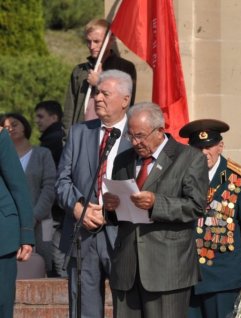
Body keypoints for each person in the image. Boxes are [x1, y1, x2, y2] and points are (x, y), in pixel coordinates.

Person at [102, 102, 209, 318]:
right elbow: (118, 213)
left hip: (167, 269)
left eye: (140, 135)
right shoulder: (123, 160)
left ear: (160, 130)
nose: (135, 142)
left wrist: (156, 204)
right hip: (127, 267)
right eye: (130, 136)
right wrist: (111, 208)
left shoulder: (189, 158)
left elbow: (196, 206)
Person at [56, 70, 133, 318]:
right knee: (84, 309)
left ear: (125, 100)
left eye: (105, 93)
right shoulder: (79, 133)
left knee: (129, 308)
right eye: (97, 92)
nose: (97, 98)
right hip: (83, 235)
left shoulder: (137, 135)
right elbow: (62, 181)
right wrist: (79, 208)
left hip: (123, 235)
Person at [179, 119, 241, 318]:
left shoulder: (240, 178)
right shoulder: (180, 176)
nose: (204, 153)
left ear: (220, 146)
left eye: (209, 146)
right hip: (186, 275)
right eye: (198, 147)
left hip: (223, 275)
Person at [1, 113, 56, 275]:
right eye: (5, 126)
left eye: (14, 124)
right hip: (11, 221)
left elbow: (49, 187)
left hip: (41, 219)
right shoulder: (4, 153)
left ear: (25, 126)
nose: (9, 128)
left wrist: (34, 216)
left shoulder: (42, 154)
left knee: (44, 263)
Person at [63, 18, 137, 131]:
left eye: (97, 41)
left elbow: (127, 103)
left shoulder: (125, 68)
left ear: (110, 40)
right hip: (83, 134)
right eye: (88, 41)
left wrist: (99, 83)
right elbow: (69, 111)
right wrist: (67, 141)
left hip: (110, 133)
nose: (91, 46)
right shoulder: (79, 71)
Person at [0, 126, 35, 318]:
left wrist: (26, 233)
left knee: (2, 305)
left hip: (2, 238)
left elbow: (18, 186)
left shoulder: (0, 137)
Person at [35, 100, 67, 277]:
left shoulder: (52, 141)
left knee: (54, 254)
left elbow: (51, 179)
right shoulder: (54, 138)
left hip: (53, 210)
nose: (37, 120)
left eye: (41, 116)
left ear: (54, 117)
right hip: (55, 208)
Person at [35, 100, 65, 166]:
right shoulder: (60, 135)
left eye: (40, 117)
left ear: (54, 118)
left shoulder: (52, 140)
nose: (36, 121)